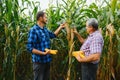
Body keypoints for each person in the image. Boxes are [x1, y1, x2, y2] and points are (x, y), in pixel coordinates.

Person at [27, 11, 65, 80]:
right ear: (40, 18)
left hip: (47, 61)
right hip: (39, 62)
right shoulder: (34, 30)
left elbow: (53, 35)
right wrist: (43, 53)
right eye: (45, 17)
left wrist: (60, 27)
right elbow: (30, 48)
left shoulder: (45, 29)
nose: (47, 19)